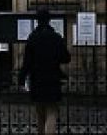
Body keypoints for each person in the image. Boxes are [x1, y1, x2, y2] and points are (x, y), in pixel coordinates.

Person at [17, 7, 71, 135]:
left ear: (37, 21)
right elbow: (66, 58)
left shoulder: (32, 38)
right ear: (49, 20)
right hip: (52, 77)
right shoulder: (56, 37)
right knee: (52, 111)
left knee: (40, 112)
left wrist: (21, 78)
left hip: (37, 78)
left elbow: (27, 63)